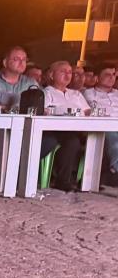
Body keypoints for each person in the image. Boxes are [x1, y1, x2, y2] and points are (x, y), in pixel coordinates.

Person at [40, 61, 89, 191]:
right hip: (54, 130)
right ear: (51, 75)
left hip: (79, 129)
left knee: (97, 139)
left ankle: (89, 181)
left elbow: (87, 112)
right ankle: (62, 181)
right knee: (72, 141)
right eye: (63, 71)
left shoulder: (76, 94)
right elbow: (44, 112)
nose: (68, 75)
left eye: (69, 72)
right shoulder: (46, 93)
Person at [84, 66, 118, 183]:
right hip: (103, 127)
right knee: (114, 138)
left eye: (113, 74)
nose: (111, 77)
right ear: (97, 78)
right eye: (107, 74)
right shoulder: (88, 94)